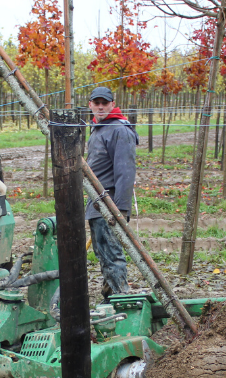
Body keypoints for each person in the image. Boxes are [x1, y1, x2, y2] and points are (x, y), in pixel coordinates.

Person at [85, 86, 137, 298]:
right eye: (96, 103)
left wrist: (120, 210)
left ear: (112, 105)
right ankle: (110, 295)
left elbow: (126, 172)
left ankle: (122, 299)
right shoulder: (99, 128)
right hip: (96, 204)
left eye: (104, 103)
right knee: (103, 253)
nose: (100, 106)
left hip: (109, 204)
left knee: (111, 254)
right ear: (90, 105)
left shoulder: (119, 130)